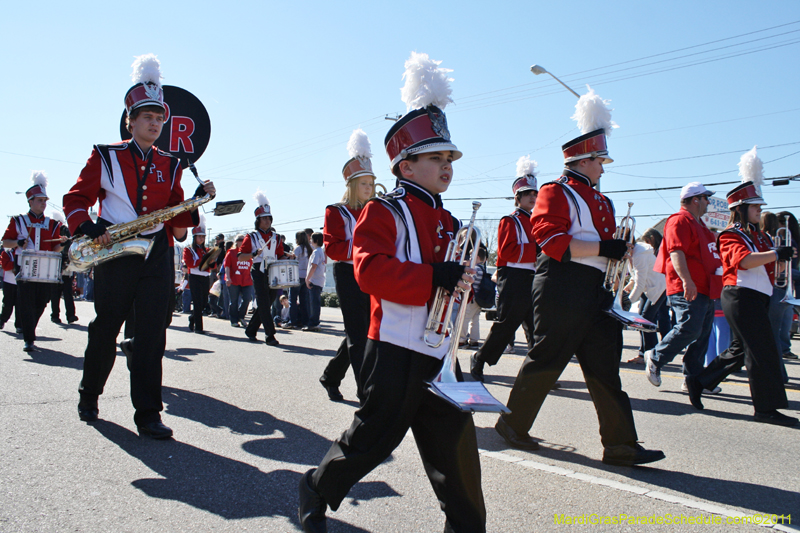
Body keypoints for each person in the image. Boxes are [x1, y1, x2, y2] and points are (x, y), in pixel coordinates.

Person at [299, 52, 485, 533]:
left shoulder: (449, 220)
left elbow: (455, 278)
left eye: (449, 158)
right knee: (373, 441)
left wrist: (467, 282)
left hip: (440, 354)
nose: (447, 166)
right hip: (396, 349)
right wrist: (434, 278)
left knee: (459, 459)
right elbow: (369, 273)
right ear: (405, 164)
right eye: (435, 157)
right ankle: (316, 487)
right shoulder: (382, 212)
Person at [496, 87, 664, 467]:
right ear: (583, 160)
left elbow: (606, 244)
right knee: (546, 360)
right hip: (562, 285)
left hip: (597, 290)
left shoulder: (603, 200)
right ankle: (511, 425)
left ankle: (620, 444)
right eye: (599, 160)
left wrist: (624, 251)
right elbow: (552, 242)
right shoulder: (555, 192)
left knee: (606, 366)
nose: (603, 167)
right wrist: (605, 248)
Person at [63, 54, 214, 438]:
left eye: (159, 117)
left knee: (151, 335)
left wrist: (195, 202)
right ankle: (89, 394)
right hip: (115, 251)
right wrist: (89, 226)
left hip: (157, 253)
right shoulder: (105, 156)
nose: (154, 122)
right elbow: (75, 200)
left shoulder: (173, 164)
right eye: (146, 116)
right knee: (105, 328)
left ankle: (148, 413)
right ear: (130, 120)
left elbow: (178, 219)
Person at [686, 148, 797, 426]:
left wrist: (782, 256)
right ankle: (766, 409)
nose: (761, 211)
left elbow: (769, 265)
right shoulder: (729, 235)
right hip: (739, 297)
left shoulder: (761, 236)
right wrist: (776, 254)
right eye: (756, 207)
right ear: (743, 209)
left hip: (757, 298)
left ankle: (699, 382)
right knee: (762, 351)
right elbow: (744, 262)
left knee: (738, 351)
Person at [644, 182, 722, 392]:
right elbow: (676, 253)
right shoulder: (679, 220)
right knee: (690, 328)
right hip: (687, 286)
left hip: (706, 287)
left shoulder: (701, 224)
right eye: (706, 198)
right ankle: (656, 356)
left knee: (702, 335)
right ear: (695, 199)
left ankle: (693, 380)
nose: (708, 202)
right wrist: (687, 281)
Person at [318, 128, 376, 402]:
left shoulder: (376, 211)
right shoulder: (336, 211)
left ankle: (330, 376)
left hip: (371, 275)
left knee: (363, 331)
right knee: (358, 334)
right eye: (364, 184)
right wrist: (365, 249)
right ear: (352, 185)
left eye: (371, 184)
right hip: (347, 273)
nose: (370, 189)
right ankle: (367, 392)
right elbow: (334, 248)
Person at [471, 156, 538, 382]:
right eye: (528, 193)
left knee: (537, 327)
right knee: (507, 324)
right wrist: (539, 249)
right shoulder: (510, 220)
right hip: (514, 277)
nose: (532, 197)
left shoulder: (540, 221)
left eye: (535, 194)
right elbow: (507, 253)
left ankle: (537, 371)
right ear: (517, 198)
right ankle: (479, 359)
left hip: (535, 277)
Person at [2, 171, 67, 352]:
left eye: (45, 200)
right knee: (26, 303)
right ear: (30, 201)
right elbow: (5, 242)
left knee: (41, 302)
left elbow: (54, 249)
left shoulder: (53, 224)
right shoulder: (18, 221)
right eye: (40, 200)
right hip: (24, 269)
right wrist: (18, 242)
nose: (44, 204)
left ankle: (29, 328)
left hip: (45, 271)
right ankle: (29, 338)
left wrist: (61, 244)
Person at [238, 191, 286, 346]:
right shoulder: (251, 236)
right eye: (264, 218)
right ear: (258, 220)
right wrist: (253, 253)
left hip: (273, 271)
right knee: (264, 304)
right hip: (258, 271)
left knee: (268, 303)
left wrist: (288, 256)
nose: (267, 221)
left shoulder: (276, 237)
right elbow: (240, 256)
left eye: (269, 218)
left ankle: (251, 330)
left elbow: (279, 255)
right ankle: (270, 335)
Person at [622, 229, 666, 364]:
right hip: (648, 288)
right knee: (641, 320)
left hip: (658, 288)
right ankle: (645, 353)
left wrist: (627, 302)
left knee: (645, 320)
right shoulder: (633, 254)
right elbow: (635, 278)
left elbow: (640, 284)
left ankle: (650, 355)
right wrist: (626, 289)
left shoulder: (639, 254)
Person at [182, 217, 212, 334]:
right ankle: (199, 328)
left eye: (203, 237)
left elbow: (211, 266)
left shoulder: (207, 249)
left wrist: (212, 260)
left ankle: (193, 318)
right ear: (194, 238)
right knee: (197, 302)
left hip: (205, 277)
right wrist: (203, 260)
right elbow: (190, 263)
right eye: (200, 236)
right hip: (194, 277)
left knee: (204, 301)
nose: (202, 239)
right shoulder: (188, 249)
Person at [459, 247, 487, 347]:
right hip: (479, 299)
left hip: (472, 297)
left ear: (477, 257)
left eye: (471, 256)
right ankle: (474, 339)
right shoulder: (483, 269)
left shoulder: (475, 269)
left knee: (465, 318)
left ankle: (461, 339)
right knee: (475, 320)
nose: (470, 259)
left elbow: (470, 281)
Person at [224, 234, 253, 328]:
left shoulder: (249, 253)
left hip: (247, 280)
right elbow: (227, 266)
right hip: (234, 280)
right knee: (234, 301)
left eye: (243, 240)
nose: (241, 242)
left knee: (247, 299)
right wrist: (228, 278)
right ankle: (234, 320)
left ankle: (241, 316)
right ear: (236, 242)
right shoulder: (231, 252)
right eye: (239, 240)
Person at [286, 231, 311, 329]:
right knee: (304, 300)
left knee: (292, 299)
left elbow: (293, 260)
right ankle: (305, 321)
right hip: (306, 276)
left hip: (297, 275)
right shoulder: (310, 249)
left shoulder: (297, 248)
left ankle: (293, 321)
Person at [305, 232, 326, 332]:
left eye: (312, 239)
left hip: (314, 280)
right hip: (320, 280)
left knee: (313, 304)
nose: (310, 241)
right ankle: (315, 322)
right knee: (315, 303)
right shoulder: (321, 251)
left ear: (316, 241)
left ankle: (313, 323)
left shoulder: (316, 252)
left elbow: (314, 266)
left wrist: (307, 278)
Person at [0, 247, 20, 332]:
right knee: (8, 303)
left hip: (22, 283)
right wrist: (17, 264)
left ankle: (19, 326)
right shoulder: (7, 252)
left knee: (21, 305)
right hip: (9, 282)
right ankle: (2, 320)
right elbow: (5, 266)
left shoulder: (26, 251)